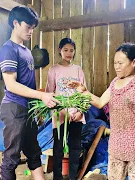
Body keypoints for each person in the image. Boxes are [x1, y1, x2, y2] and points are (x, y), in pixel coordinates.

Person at [68, 43, 135, 180]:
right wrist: (84, 91)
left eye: (120, 63)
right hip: (116, 147)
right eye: (115, 63)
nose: (116, 67)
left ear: (134, 62)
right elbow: (100, 102)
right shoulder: (115, 82)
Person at [0, 6, 59, 180]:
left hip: (28, 110)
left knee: (33, 152)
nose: (31, 31)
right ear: (15, 23)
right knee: (12, 157)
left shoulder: (26, 51)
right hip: (14, 109)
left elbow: (28, 84)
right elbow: (11, 85)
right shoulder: (8, 49)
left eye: (33, 27)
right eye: (28, 26)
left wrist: (37, 108)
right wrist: (42, 96)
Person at [45, 38, 86, 180]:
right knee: (58, 148)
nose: (69, 53)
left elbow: (84, 93)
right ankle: (57, 177)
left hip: (76, 116)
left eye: (71, 50)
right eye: (65, 50)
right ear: (59, 50)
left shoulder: (78, 70)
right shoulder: (54, 70)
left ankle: (73, 177)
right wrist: (62, 112)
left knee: (75, 148)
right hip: (60, 115)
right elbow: (49, 93)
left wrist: (80, 112)